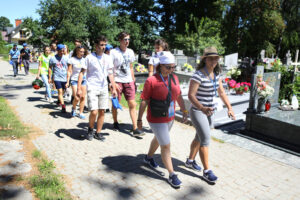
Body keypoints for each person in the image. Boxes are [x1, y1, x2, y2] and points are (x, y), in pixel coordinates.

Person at [137, 51, 188, 188]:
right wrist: (139, 120)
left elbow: (178, 96)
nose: (171, 70)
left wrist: (184, 110)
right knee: (165, 144)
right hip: (155, 117)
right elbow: (144, 100)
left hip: (170, 116)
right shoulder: (151, 80)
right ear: (160, 66)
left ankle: (148, 158)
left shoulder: (174, 78)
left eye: (173, 67)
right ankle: (172, 174)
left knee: (159, 139)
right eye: (168, 67)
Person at [185, 46, 236, 183]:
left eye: (216, 58)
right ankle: (207, 171)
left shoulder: (217, 75)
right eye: (211, 58)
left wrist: (229, 108)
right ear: (205, 59)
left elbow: (221, 93)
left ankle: (190, 161)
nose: (214, 60)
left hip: (210, 111)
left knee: (199, 136)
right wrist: (201, 108)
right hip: (198, 111)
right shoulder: (198, 75)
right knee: (206, 140)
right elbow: (191, 95)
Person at [77, 36, 117, 141]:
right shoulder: (89, 58)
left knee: (102, 111)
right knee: (94, 111)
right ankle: (90, 129)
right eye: (101, 45)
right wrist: (79, 88)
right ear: (96, 46)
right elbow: (82, 73)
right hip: (92, 87)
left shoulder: (108, 58)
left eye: (105, 45)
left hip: (103, 87)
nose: (103, 47)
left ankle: (98, 132)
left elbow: (110, 74)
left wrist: (113, 87)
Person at [110, 31, 143, 136]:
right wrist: (112, 83)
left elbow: (131, 67)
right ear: (120, 40)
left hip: (128, 81)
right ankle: (115, 121)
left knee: (132, 104)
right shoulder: (113, 52)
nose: (127, 41)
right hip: (117, 81)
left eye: (128, 39)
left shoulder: (130, 52)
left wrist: (133, 80)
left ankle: (135, 128)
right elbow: (109, 69)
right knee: (116, 104)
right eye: (125, 39)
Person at [66, 46, 88, 119]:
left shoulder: (85, 60)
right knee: (77, 97)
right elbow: (69, 71)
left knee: (83, 97)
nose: (82, 53)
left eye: (83, 52)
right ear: (77, 51)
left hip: (83, 80)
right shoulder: (71, 60)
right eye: (81, 51)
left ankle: (80, 112)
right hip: (74, 80)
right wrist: (67, 81)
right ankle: (74, 108)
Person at [48, 44, 69, 113]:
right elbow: (50, 68)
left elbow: (69, 68)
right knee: (60, 92)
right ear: (57, 50)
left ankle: (59, 100)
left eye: (63, 50)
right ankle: (63, 106)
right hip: (57, 77)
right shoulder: (53, 58)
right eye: (61, 50)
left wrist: (69, 78)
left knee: (62, 92)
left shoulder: (66, 58)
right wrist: (50, 78)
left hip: (64, 78)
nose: (62, 52)